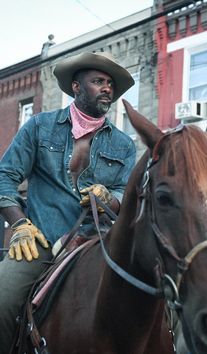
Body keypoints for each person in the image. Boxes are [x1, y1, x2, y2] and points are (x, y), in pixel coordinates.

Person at [0, 51, 136, 353]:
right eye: (98, 81)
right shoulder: (38, 127)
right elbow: (5, 176)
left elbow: (126, 193)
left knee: (163, 301)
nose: (107, 89)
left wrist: (109, 199)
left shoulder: (124, 145)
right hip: (42, 242)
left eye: (110, 84)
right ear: (76, 86)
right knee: (1, 297)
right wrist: (19, 224)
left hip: (99, 244)